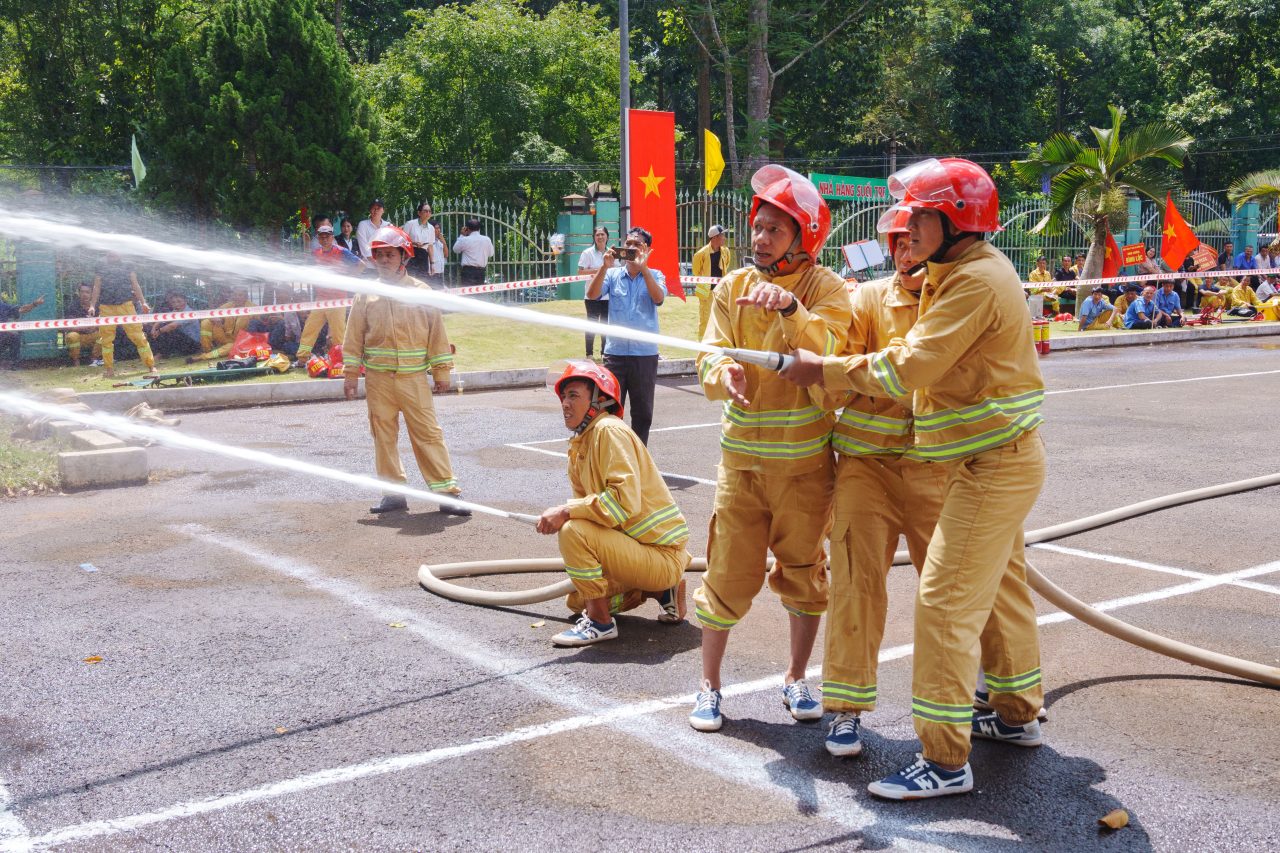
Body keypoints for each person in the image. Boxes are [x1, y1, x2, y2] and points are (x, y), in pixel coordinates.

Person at [779, 158, 1046, 800]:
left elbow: (910, 368)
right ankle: (1014, 714)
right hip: (983, 460)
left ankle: (945, 759)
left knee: (944, 601)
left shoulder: (972, 282)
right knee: (1003, 587)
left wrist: (825, 371)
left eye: (917, 219)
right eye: (899, 225)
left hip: (991, 465)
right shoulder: (957, 274)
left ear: (954, 219)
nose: (904, 232)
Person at [687, 165, 851, 734]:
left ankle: (795, 676)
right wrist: (722, 369)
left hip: (805, 467)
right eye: (757, 227)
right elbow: (708, 349)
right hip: (741, 463)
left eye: (775, 230)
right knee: (728, 572)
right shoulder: (730, 286)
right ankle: (709, 686)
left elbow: (832, 348)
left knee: (805, 573)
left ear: (804, 235)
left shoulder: (826, 288)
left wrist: (789, 310)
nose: (759, 238)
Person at [816, 208, 946, 758]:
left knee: (951, 591)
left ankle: (989, 693)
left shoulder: (956, 295)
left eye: (912, 240)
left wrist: (884, 372)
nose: (904, 250)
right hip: (866, 466)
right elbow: (839, 373)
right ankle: (845, 709)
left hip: (937, 467)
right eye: (897, 241)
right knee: (853, 584)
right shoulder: (867, 300)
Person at [537, 361, 692, 647]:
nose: (565, 404)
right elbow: (593, 512)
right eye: (563, 397)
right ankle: (662, 592)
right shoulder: (582, 444)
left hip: (659, 555)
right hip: (639, 551)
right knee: (577, 599)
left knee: (572, 531)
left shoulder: (609, 430)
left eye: (573, 395)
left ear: (600, 400)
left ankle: (600, 624)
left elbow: (622, 502)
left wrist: (565, 511)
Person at [343, 224, 471, 517]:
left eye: (390, 254)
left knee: (428, 433)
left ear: (405, 257)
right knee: (383, 435)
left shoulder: (421, 293)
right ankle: (393, 495)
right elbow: (353, 338)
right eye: (379, 255)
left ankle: (447, 493)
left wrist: (441, 372)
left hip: (413, 378)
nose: (384, 260)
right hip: (378, 380)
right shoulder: (365, 295)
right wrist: (350, 374)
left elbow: (437, 334)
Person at [586, 226, 667, 445]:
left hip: (645, 355)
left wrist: (645, 269)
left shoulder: (656, 275)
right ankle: (612, 460)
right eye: (628, 244)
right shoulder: (612, 275)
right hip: (616, 355)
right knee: (610, 412)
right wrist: (603, 267)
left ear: (647, 249)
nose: (630, 248)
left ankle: (638, 461)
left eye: (637, 245)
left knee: (642, 415)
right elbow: (591, 295)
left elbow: (658, 298)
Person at [300, 220, 360, 366]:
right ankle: (302, 358)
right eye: (321, 236)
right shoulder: (316, 253)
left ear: (332, 237)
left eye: (327, 236)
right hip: (321, 299)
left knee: (339, 332)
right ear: (319, 238)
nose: (325, 239)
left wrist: (348, 279)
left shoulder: (342, 251)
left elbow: (361, 265)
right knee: (310, 328)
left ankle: (340, 359)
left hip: (337, 299)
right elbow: (306, 264)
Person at [90, 252, 157, 377]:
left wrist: (143, 303)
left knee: (138, 336)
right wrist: (92, 305)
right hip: (106, 307)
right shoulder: (100, 264)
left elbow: (135, 284)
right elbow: (96, 286)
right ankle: (109, 370)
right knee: (106, 340)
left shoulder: (127, 264)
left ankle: (151, 365)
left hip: (126, 305)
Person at [192, 285, 254, 362]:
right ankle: (206, 349)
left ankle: (204, 357)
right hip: (225, 336)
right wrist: (214, 318)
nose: (236, 297)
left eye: (240, 295)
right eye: (234, 294)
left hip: (240, 341)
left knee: (232, 347)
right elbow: (212, 314)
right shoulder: (228, 305)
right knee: (206, 322)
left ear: (246, 297)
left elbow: (262, 323)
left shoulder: (253, 308)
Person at [577, 226, 613, 359]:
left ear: (607, 237)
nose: (600, 237)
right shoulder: (587, 253)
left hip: (608, 296)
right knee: (591, 325)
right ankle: (589, 354)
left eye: (602, 234)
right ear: (594, 237)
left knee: (605, 325)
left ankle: (604, 353)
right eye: (597, 235)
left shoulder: (612, 253)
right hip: (591, 295)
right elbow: (580, 272)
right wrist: (600, 269)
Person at [693, 224, 734, 339]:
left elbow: (726, 265)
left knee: (722, 318)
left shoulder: (725, 251)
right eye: (722, 235)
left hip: (720, 291)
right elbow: (696, 272)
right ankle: (702, 346)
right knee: (705, 320)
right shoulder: (700, 254)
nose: (724, 238)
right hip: (705, 291)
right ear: (715, 237)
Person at [147, 291, 203, 358]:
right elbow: (163, 320)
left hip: (193, 345)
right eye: (173, 302)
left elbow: (173, 326)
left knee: (170, 330)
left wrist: (158, 331)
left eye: (179, 301)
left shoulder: (189, 312)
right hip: (184, 341)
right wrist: (154, 328)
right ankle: (155, 353)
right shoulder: (176, 311)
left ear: (185, 301)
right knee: (150, 328)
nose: (176, 304)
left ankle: (162, 354)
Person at [0, 293, 45, 369]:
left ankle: (14, 365)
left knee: (14, 337)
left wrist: (34, 304)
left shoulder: (2, 306)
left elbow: (21, 309)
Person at [63, 282, 101, 366]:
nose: (84, 294)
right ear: (79, 293)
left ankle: (94, 360)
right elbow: (68, 326)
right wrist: (84, 328)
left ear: (92, 294)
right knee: (72, 336)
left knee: (104, 334)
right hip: (79, 336)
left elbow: (103, 321)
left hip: (93, 334)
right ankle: (76, 362)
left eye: (87, 292)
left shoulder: (97, 306)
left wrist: (95, 327)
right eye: (82, 292)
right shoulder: (72, 306)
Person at [402, 202, 437, 281]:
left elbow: (430, 246)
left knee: (423, 280)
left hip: (424, 255)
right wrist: (413, 243)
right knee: (410, 279)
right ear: (419, 213)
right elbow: (402, 241)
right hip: (411, 254)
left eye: (429, 211)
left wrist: (432, 264)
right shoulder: (410, 224)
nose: (428, 213)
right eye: (425, 211)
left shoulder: (431, 228)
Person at [453, 218, 494, 285]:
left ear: (467, 229)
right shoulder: (487, 240)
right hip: (481, 272)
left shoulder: (465, 240)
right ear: (479, 229)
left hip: (468, 272)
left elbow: (455, 250)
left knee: (468, 294)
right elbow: (491, 254)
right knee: (479, 293)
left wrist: (462, 235)